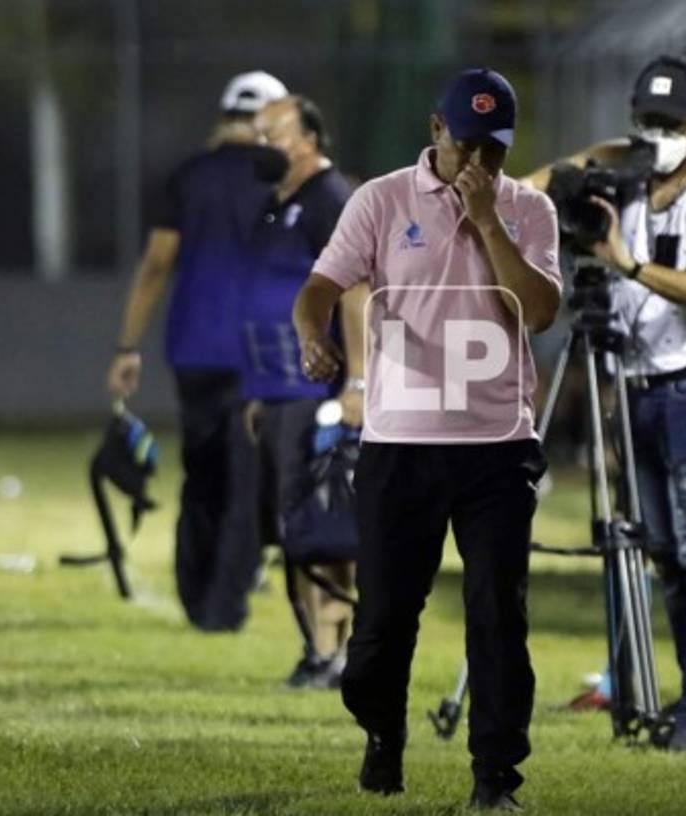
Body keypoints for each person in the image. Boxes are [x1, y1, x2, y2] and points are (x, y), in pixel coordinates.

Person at [293, 69, 560, 810]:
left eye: (494, 150)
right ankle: (383, 732)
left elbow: (538, 312)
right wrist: (314, 339)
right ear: (435, 130)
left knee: (496, 616)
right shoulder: (380, 199)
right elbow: (318, 288)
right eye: (466, 144)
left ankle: (495, 779)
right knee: (381, 624)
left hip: (497, 446)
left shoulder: (528, 209)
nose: (480, 163)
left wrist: (487, 221)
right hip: (399, 444)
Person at [525, 55, 686, 754]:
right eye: (647, 121)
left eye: (672, 123)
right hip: (635, 383)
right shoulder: (626, 166)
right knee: (661, 553)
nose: (657, 135)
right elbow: (541, 184)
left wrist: (624, 259)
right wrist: (536, 200)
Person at [106, 70, 289, 631]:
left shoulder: (189, 176)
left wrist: (127, 346)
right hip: (258, 351)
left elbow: (157, 262)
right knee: (244, 477)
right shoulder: (280, 176)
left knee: (201, 471)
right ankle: (224, 602)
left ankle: (193, 587)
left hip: (193, 347)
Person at [236, 95, 361, 688]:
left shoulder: (328, 199)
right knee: (292, 529)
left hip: (320, 389)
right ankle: (317, 649)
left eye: (273, 135)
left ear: (309, 139)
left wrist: (358, 382)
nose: (261, 145)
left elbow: (360, 291)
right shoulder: (272, 204)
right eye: (257, 135)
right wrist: (258, 391)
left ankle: (339, 652)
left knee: (326, 526)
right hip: (277, 390)